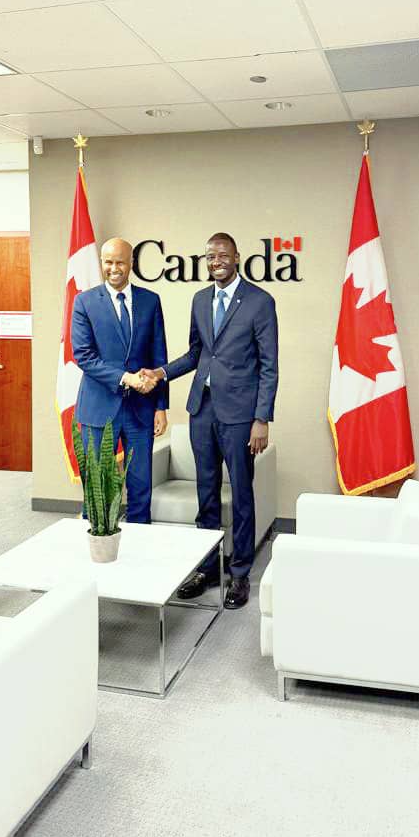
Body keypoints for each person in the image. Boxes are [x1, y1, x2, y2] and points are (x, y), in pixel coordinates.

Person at [142, 233, 278, 608]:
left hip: (240, 415)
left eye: (222, 255)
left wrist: (262, 418)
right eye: (210, 256)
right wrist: (161, 373)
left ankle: (240, 573)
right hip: (202, 410)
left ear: (236, 257)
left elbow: (269, 365)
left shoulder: (260, 301)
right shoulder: (201, 299)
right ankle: (208, 567)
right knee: (206, 492)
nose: (216, 261)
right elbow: (197, 354)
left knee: (242, 493)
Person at [72, 237, 168, 524]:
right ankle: (96, 544)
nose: (114, 268)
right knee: (97, 487)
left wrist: (161, 406)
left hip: (141, 409)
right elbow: (84, 356)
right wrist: (126, 378)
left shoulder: (150, 301)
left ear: (132, 263)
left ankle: (140, 541)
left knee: (141, 485)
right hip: (99, 407)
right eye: (108, 262)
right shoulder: (84, 302)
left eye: (120, 262)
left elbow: (159, 356)